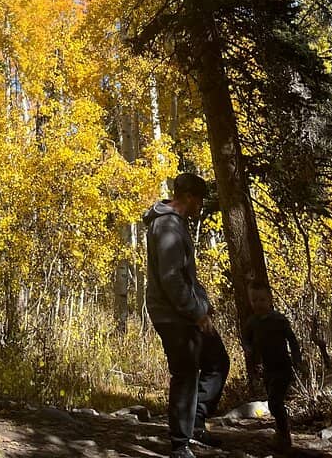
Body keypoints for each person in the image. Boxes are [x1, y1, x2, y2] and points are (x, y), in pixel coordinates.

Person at [144, 172, 230, 458]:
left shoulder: (175, 224)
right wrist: (196, 312)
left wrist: (203, 302)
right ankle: (180, 445)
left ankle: (195, 423)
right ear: (190, 197)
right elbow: (171, 279)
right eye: (200, 200)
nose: (201, 206)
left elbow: (185, 276)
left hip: (184, 310)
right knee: (185, 373)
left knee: (216, 361)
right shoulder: (167, 226)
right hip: (172, 314)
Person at [242, 280, 302, 453]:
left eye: (262, 300)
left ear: (269, 300)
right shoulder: (252, 322)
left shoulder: (279, 320)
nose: (258, 304)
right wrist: (248, 349)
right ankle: (281, 432)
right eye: (254, 300)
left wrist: (297, 360)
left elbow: (292, 340)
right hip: (268, 369)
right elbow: (246, 338)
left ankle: (285, 435)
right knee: (272, 402)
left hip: (283, 367)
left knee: (275, 402)